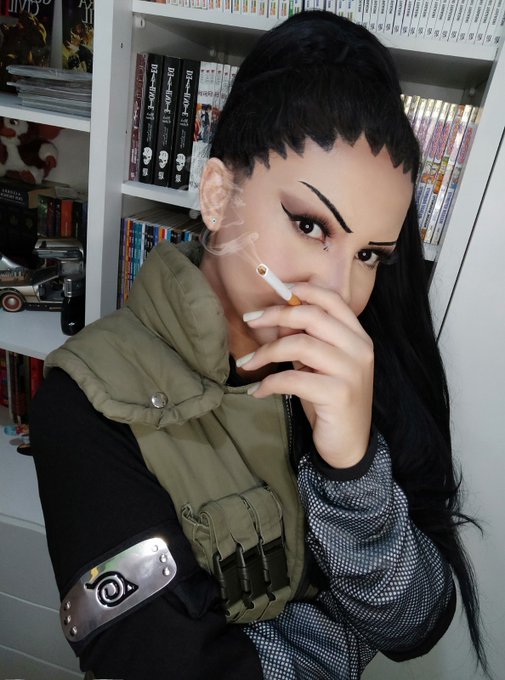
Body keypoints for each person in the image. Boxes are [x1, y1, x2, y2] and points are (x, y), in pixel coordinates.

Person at [30, 10, 486, 680]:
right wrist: (336, 634)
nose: (338, 291)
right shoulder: (83, 406)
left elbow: (415, 625)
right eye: (310, 225)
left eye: (369, 254)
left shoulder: (358, 367)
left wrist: (352, 469)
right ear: (218, 196)